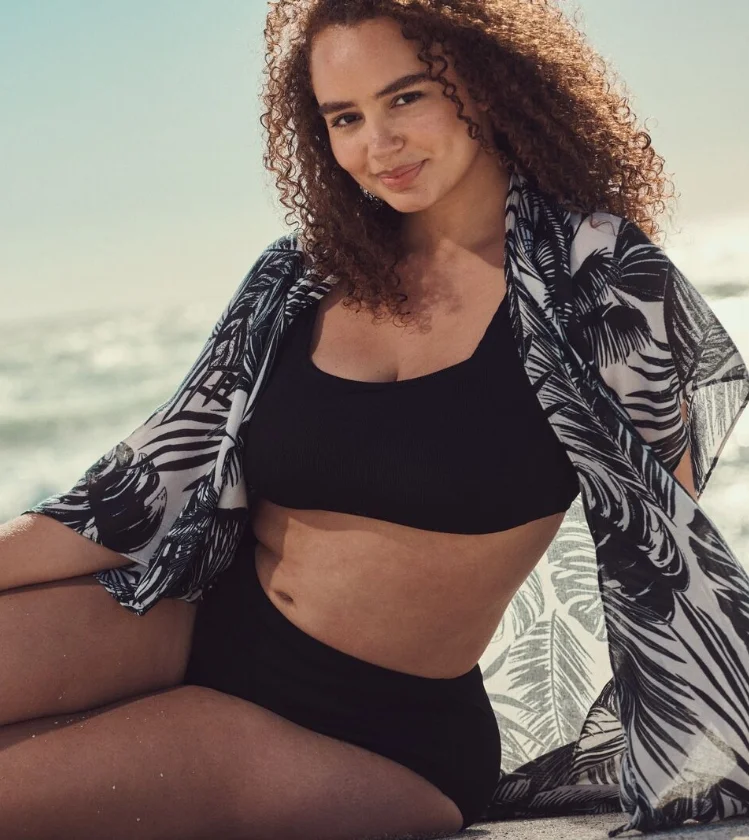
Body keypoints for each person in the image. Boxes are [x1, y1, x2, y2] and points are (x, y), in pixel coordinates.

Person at [2, 1, 748, 838]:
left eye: (406, 98)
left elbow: (664, 552)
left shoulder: (594, 281)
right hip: (195, 623)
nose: (377, 144)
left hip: (375, 736)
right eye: (344, 118)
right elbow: (141, 488)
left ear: (488, 83)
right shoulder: (300, 275)